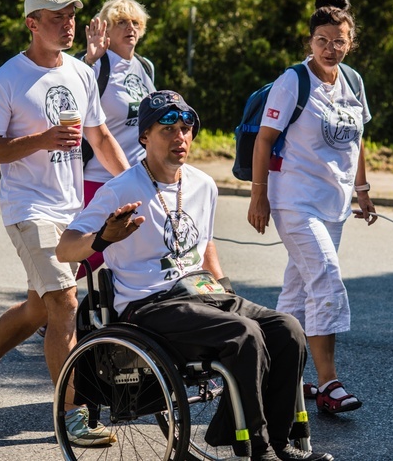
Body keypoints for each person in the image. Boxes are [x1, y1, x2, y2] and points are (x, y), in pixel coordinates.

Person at [57, 90, 333, 461]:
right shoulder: (120, 189)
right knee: (244, 335)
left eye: (187, 128)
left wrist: (227, 291)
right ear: (144, 136)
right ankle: (258, 448)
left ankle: (281, 443)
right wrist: (104, 238)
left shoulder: (204, 185)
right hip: (148, 303)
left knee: (287, 329)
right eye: (168, 128)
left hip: (203, 293)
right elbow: (65, 248)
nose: (180, 136)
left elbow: (205, 245)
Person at [0, 0, 129, 446]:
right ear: (32, 23)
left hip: (72, 209)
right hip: (27, 208)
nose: (67, 24)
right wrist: (41, 140)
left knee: (39, 306)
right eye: (56, 17)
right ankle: (70, 414)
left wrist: (138, 184)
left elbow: (101, 139)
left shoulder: (81, 73)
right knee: (64, 304)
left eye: (71, 16)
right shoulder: (5, 79)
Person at [247, 0, 376, 415]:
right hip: (294, 201)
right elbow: (264, 141)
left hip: (334, 203)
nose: (330, 49)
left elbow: (357, 141)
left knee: (297, 290)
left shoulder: (353, 82)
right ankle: (328, 384)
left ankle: (276, 375)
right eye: (322, 40)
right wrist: (259, 194)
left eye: (338, 41)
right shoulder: (293, 81)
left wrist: (362, 191)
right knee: (325, 279)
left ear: (350, 41)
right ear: (310, 41)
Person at [75, 0, 155, 278]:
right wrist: (88, 58)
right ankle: (44, 310)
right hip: (96, 178)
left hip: (135, 175)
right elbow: (72, 89)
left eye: (135, 22)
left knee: (135, 253)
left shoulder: (145, 68)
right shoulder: (97, 64)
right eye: (121, 22)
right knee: (90, 256)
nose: (130, 28)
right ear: (107, 28)